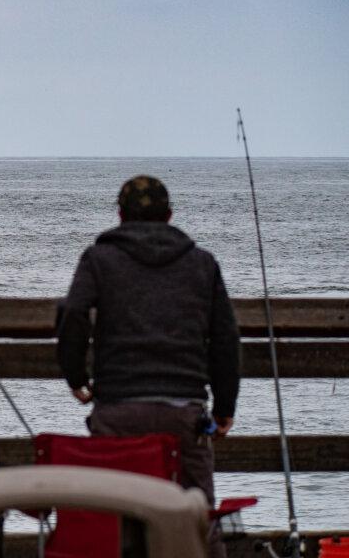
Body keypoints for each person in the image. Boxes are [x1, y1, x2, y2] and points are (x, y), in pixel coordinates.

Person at [57, 175, 240, 558]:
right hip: (184, 413)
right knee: (198, 521)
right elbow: (225, 338)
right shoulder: (202, 264)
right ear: (170, 215)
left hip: (118, 411)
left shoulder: (99, 259)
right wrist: (224, 407)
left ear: (120, 215)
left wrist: (76, 376)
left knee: (112, 521)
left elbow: (73, 313)